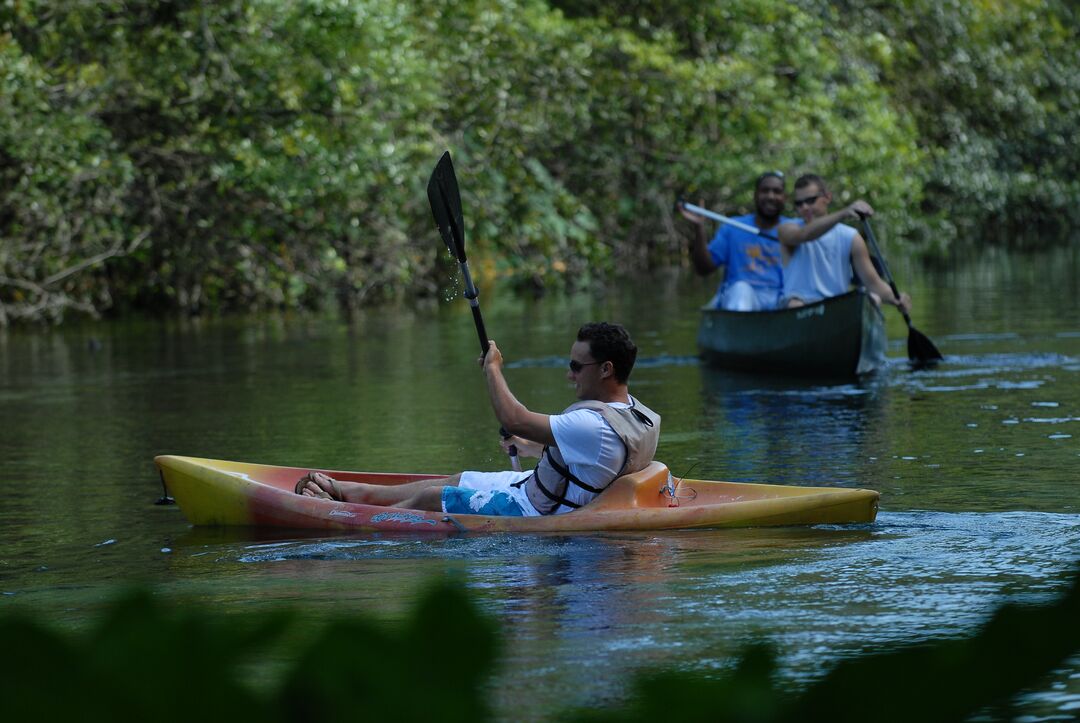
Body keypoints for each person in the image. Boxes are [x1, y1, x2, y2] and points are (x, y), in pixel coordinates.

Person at [295, 322, 661, 517]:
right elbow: (588, 463)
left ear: (607, 369)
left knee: (431, 497)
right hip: (535, 487)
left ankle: (344, 519)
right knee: (460, 479)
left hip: (537, 511)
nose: (570, 375)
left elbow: (514, 418)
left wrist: (493, 369)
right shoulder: (633, 412)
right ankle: (357, 494)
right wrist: (530, 447)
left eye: (576, 366)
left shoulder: (591, 425)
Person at [776, 174, 912, 312]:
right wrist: (844, 213)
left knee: (873, 298)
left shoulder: (850, 236)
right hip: (800, 307)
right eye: (799, 203)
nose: (804, 207)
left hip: (836, 306)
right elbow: (804, 235)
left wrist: (895, 297)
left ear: (827, 197)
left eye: (810, 200)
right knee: (794, 304)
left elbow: (873, 283)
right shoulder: (787, 228)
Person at [677, 171, 794, 311]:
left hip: (780, 300)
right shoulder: (733, 227)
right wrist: (699, 228)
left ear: (785, 197)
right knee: (740, 289)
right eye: (765, 191)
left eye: (777, 191)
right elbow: (703, 269)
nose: (770, 196)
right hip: (740, 299)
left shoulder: (795, 229)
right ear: (755, 195)